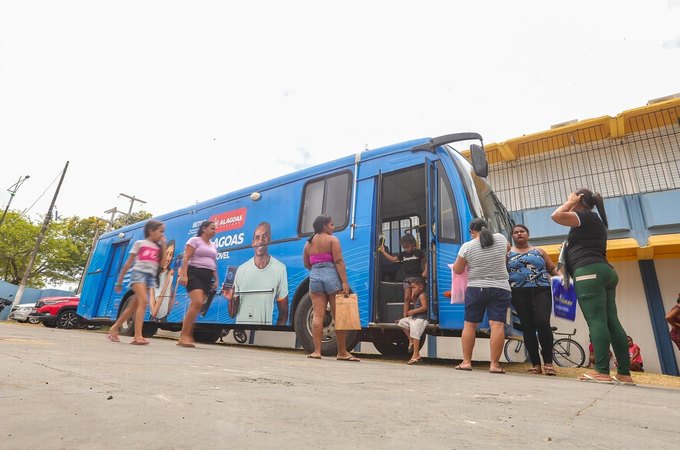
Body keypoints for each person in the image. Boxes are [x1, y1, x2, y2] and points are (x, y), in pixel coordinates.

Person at [551, 189, 635, 385]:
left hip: (589, 272)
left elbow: (556, 216)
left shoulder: (586, 216)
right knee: (612, 322)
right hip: (604, 271)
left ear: (579, 199)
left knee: (596, 321)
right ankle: (623, 373)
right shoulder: (595, 220)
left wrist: (570, 202)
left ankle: (601, 371)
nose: (568, 199)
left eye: (571, 197)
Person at [452, 218, 511, 373]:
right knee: (497, 325)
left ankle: (466, 362)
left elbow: (458, 270)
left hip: (476, 288)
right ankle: (494, 365)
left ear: (472, 231)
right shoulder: (501, 238)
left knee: (470, 324)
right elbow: (507, 253)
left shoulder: (467, 246)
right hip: (501, 287)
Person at [303, 214, 358, 361]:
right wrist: (345, 282)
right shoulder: (333, 240)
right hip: (331, 275)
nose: (333, 227)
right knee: (338, 315)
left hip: (314, 276)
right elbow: (339, 261)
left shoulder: (308, 243)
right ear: (324, 226)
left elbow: (306, 264)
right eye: (332, 224)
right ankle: (342, 352)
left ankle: (317, 351)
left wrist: (317, 270)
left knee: (317, 315)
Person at [507, 224, 559, 375]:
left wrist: (562, 280)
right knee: (527, 327)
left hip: (541, 290)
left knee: (543, 323)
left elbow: (551, 268)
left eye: (522, 231)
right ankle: (536, 364)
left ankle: (548, 363)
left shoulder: (539, 251)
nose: (519, 234)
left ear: (528, 234)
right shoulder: (508, 254)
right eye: (515, 232)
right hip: (518, 293)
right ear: (513, 236)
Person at [107, 220, 166, 345]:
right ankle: (137, 336)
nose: (162, 234)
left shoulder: (158, 247)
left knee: (133, 306)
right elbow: (128, 263)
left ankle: (114, 328)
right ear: (151, 231)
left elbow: (162, 264)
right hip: (138, 274)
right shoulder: (140, 243)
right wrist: (119, 281)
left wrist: (164, 246)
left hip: (150, 277)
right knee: (144, 302)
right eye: (160, 231)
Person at [223, 222, 288, 325]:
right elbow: (232, 314)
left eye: (264, 236)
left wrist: (274, 332)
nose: (260, 241)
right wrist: (230, 300)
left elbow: (283, 313)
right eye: (257, 237)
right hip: (241, 333)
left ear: (269, 239)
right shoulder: (241, 270)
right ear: (253, 242)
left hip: (264, 335)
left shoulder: (280, 269)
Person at [177, 220, 219, 348]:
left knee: (199, 304)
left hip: (207, 276)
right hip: (194, 273)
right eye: (212, 228)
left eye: (215, 229)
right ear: (204, 229)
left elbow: (213, 263)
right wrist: (184, 274)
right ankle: (184, 336)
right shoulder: (194, 240)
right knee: (197, 301)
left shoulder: (213, 245)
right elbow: (186, 257)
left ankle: (187, 334)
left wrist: (216, 279)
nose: (214, 230)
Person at [378, 234, 427, 306]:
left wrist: (425, 271)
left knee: (414, 297)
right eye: (404, 247)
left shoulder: (418, 252)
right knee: (407, 298)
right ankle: (405, 315)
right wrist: (383, 252)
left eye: (407, 247)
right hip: (407, 278)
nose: (406, 249)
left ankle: (416, 312)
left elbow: (425, 262)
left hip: (417, 278)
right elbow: (393, 260)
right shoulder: (403, 254)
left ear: (412, 244)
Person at [397, 277, 428, 365]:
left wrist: (413, 311)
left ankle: (416, 355)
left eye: (414, 288)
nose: (412, 289)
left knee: (415, 332)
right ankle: (411, 341)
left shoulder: (422, 295)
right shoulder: (417, 296)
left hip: (421, 318)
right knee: (401, 322)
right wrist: (413, 297)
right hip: (415, 317)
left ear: (421, 287)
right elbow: (416, 305)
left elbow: (424, 307)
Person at [150, 239, 176, 321]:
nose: (168, 258)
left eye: (171, 254)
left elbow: (170, 298)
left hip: (165, 318)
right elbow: (154, 312)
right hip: (154, 318)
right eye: (167, 253)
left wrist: (177, 281)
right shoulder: (154, 273)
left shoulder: (170, 274)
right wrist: (168, 279)